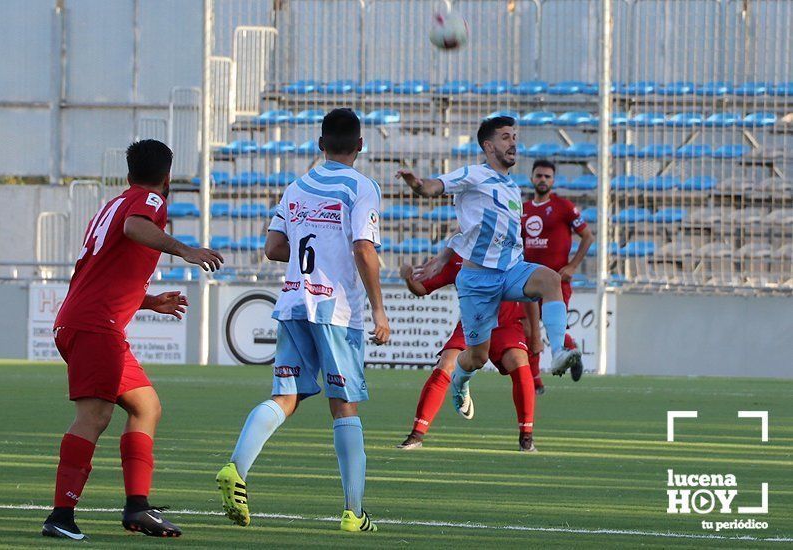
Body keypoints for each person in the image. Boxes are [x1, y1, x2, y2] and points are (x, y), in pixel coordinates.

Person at [216, 109, 388, 533]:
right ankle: (353, 512)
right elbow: (365, 249)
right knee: (343, 406)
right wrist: (379, 309)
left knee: (285, 397)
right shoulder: (361, 187)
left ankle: (236, 468)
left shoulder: (297, 187)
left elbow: (274, 247)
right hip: (337, 311)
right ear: (361, 146)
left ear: (320, 144)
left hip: (294, 303)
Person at [42, 139, 224, 540]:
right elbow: (135, 227)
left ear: (128, 174)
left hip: (87, 321)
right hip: (94, 326)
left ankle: (138, 508)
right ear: (167, 177)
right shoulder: (149, 202)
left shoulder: (113, 204)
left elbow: (102, 271)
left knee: (146, 406)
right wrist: (184, 250)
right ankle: (61, 515)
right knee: (95, 417)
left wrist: (149, 301)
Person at [396, 115, 582, 418]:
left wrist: (448, 250)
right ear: (488, 145)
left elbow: (476, 229)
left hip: (510, 270)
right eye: (506, 137)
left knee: (549, 281)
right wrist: (419, 185)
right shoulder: (474, 175)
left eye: (515, 137)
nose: (513, 142)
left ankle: (559, 351)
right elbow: (435, 186)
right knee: (477, 357)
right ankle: (460, 380)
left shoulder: (510, 188)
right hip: (478, 280)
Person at [396, 247, 542, 452]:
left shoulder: (511, 250)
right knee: (446, 364)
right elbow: (422, 288)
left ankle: (526, 438)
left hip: (506, 325)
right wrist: (409, 278)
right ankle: (416, 434)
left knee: (519, 363)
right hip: (471, 322)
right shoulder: (458, 256)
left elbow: (531, 293)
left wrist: (535, 335)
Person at [522, 160, 595, 392]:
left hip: (555, 280)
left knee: (551, 324)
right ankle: (535, 380)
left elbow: (588, 237)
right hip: (528, 278)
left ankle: (570, 350)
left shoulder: (564, 207)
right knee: (529, 328)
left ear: (553, 181)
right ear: (532, 178)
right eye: (539, 175)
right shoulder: (522, 209)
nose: (543, 180)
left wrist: (573, 265)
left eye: (547, 176)